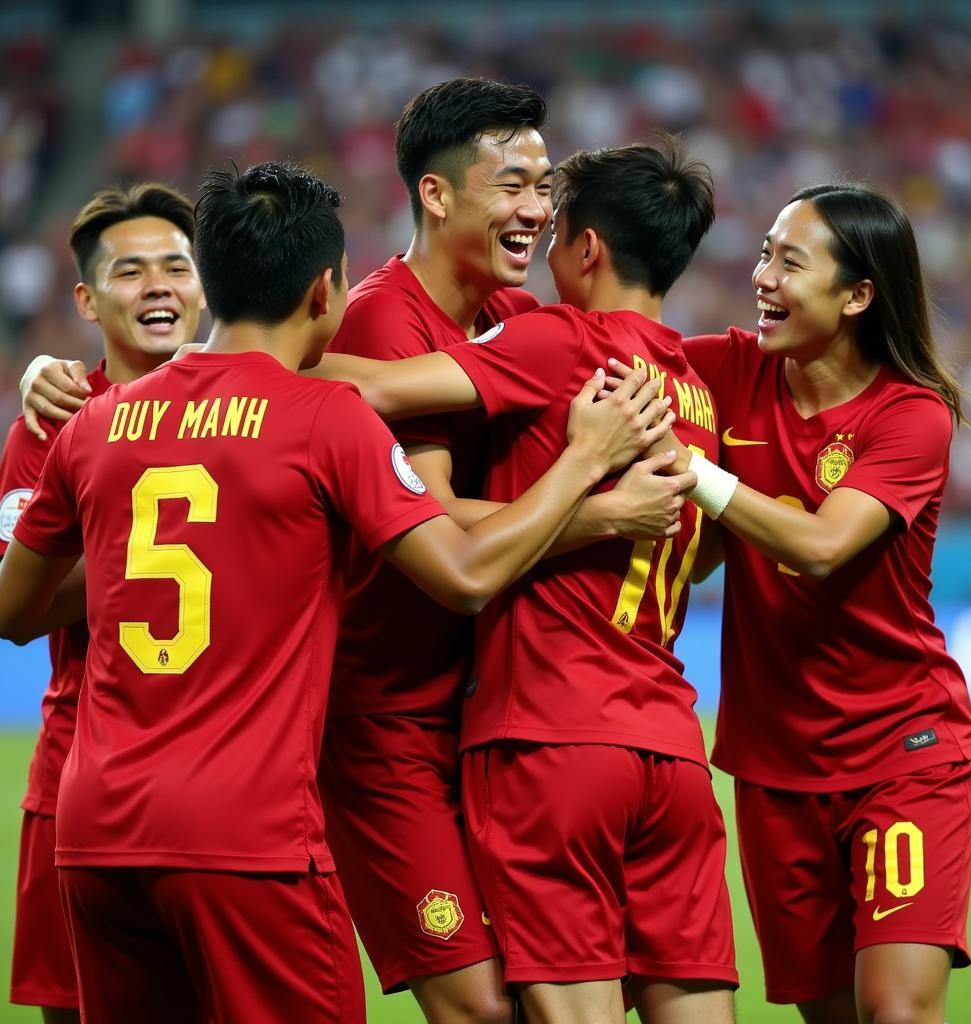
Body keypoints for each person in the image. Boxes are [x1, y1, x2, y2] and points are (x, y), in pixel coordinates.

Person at [0, 159, 672, 1024]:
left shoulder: (95, 424)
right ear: (327, 290)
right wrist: (584, 466)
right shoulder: (324, 419)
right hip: (249, 837)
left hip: (93, 836)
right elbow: (465, 578)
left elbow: (13, 614)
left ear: (211, 280)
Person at [308, 135, 737, 1024]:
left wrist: (199, 365)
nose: (538, 225)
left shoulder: (554, 340)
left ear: (587, 249)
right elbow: (698, 550)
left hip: (550, 736)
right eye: (518, 186)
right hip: (673, 741)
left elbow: (369, 392)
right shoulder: (696, 391)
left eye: (552, 205)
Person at [616, 182, 971, 1024]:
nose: (763, 277)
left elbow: (821, 548)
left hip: (903, 750)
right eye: (764, 254)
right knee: (831, 1015)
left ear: (858, 295)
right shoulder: (729, 369)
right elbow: (608, 354)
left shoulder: (910, 414)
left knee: (895, 1011)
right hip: (774, 768)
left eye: (791, 261)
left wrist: (693, 470)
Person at [0, 181, 204, 1023]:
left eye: (177, 266)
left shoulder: (268, 402)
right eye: (131, 271)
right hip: (78, 772)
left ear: (204, 286)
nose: (158, 285)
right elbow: (18, 611)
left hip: (232, 771)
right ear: (86, 298)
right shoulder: (47, 428)